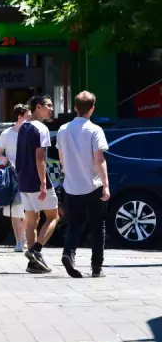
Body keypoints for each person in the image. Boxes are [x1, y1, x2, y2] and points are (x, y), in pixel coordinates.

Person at [55, 91, 110, 278]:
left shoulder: (63, 130)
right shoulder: (95, 130)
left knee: (75, 224)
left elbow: (61, 158)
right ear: (92, 108)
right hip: (93, 185)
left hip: (71, 186)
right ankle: (96, 267)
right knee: (98, 226)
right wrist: (106, 184)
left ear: (75, 108)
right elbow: (99, 159)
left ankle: (68, 254)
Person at [15, 95, 59, 274]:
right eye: (49, 106)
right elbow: (40, 158)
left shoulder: (23, 126)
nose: (51, 109)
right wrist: (43, 184)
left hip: (23, 180)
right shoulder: (41, 128)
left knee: (32, 220)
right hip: (36, 180)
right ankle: (35, 251)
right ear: (38, 107)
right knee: (53, 216)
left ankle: (33, 264)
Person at [0, 104, 29, 252]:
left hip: (28, 173)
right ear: (19, 117)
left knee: (29, 209)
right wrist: (5, 161)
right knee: (15, 210)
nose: (30, 119)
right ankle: (19, 242)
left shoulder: (30, 132)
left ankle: (25, 239)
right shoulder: (6, 134)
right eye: (28, 116)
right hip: (12, 175)